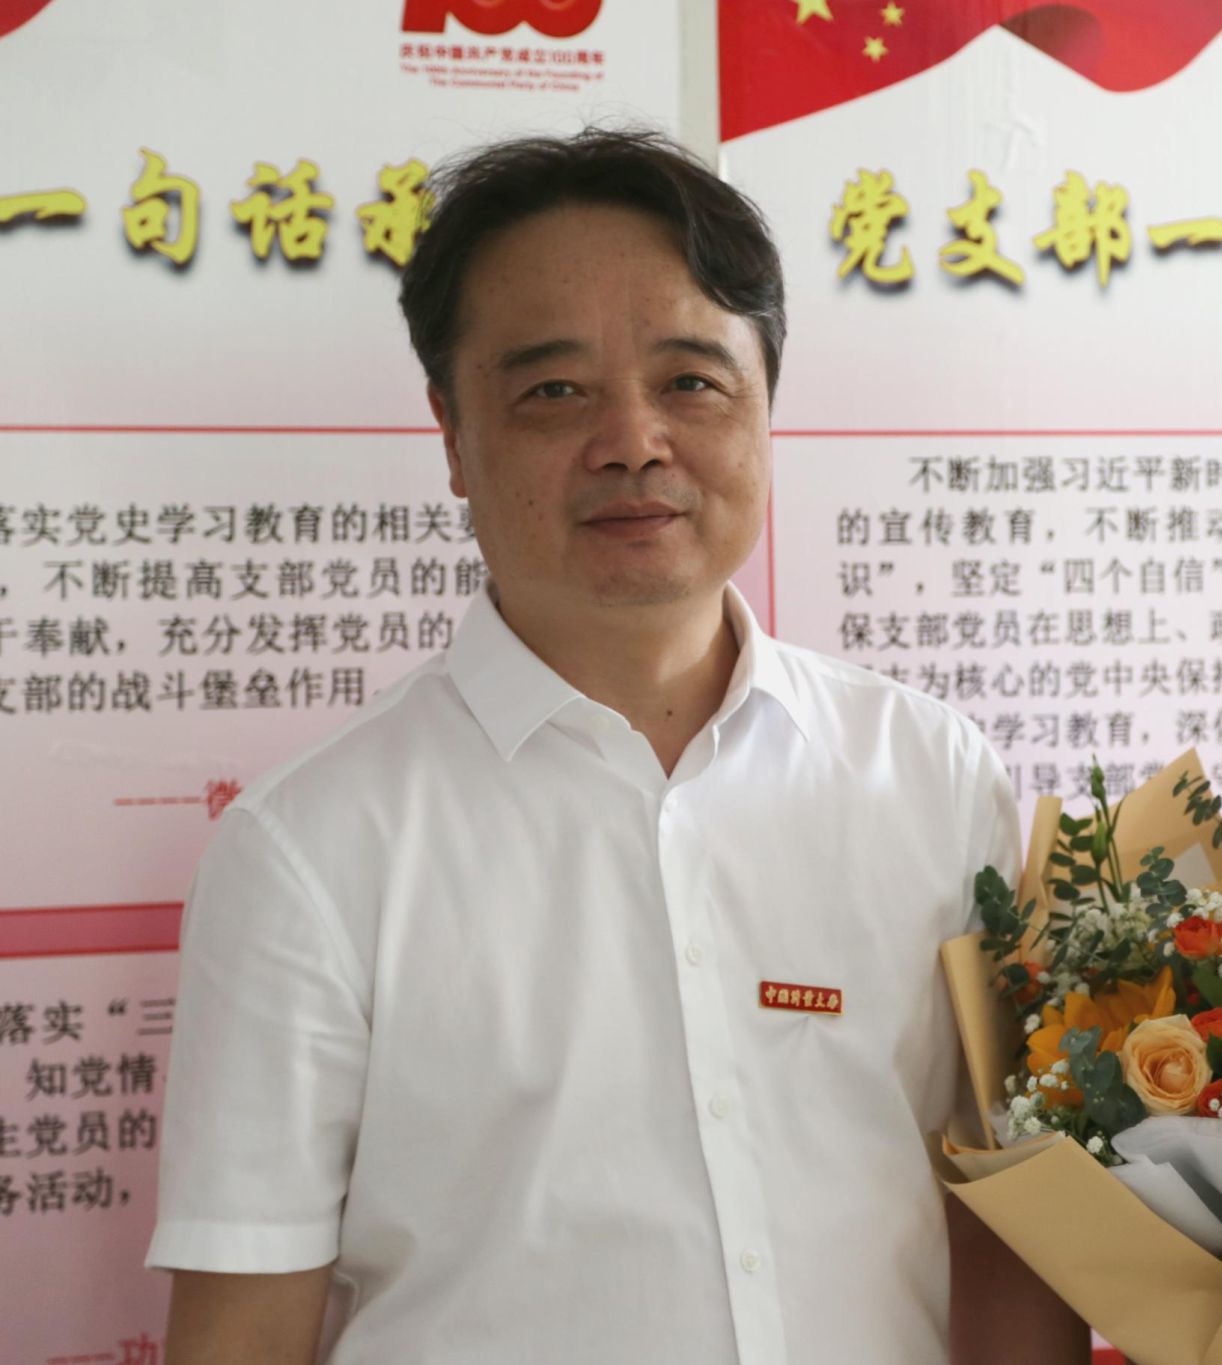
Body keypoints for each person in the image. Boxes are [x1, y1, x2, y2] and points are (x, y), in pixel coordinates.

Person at [146, 128, 1084, 1365]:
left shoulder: (931, 775)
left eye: (691, 381)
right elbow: (243, 1324)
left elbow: (1010, 1223)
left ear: (766, 407)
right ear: (451, 434)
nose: (633, 440)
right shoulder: (310, 846)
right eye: (554, 391)